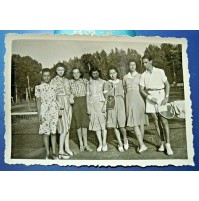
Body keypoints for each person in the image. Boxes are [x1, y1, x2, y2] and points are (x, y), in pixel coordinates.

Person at [139, 55, 173, 155]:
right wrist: (150, 97)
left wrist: (166, 97)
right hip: (150, 98)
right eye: (143, 63)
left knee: (164, 120)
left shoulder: (160, 71)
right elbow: (141, 90)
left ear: (151, 61)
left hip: (161, 96)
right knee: (156, 122)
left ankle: (168, 145)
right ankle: (162, 143)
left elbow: (167, 85)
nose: (144, 64)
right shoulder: (143, 75)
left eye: (146, 62)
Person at [123, 60, 148, 153]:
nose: (132, 66)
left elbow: (143, 89)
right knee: (134, 122)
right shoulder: (125, 77)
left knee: (140, 122)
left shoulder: (140, 76)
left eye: (134, 65)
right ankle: (141, 144)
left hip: (139, 100)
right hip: (129, 100)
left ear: (136, 66)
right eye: (130, 65)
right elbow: (124, 90)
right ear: (128, 66)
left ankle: (140, 144)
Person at [35, 68, 59, 160]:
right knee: (46, 133)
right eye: (44, 76)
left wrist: (59, 110)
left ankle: (54, 153)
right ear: (42, 76)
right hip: (44, 111)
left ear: (50, 76)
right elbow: (38, 102)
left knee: (53, 132)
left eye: (48, 75)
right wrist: (39, 115)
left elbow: (56, 100)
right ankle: (48, 154)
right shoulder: (38, 88)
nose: (46, 77)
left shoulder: (54, 86)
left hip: (53, 110)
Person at [51, 62, 74, 159]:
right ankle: (60, 151)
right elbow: (51, 96)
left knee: (67, 128)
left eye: (62, 70)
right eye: (58, 70)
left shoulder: (67, 80)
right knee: (63, 128)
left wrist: (71, 97)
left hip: (68, 104)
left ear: (64, 70)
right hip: (60, 105)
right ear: (56, 71)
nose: (60, 72)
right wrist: (58, 105)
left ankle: (67, 148)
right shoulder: (53, 81)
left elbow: (70, 92)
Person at [104, 68, 128, 152]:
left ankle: (125, 139)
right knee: (114, 125)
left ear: (117, 73)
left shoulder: (121, 82)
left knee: (122, 125)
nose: (112, 75)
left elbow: (125, 94)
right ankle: (120, 143)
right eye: (110, 73)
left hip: (120, 103)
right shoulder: (107, 83)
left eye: (114, 73)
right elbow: (105, 96)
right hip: (111, 103)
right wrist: (112, 88)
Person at [70, 68, 92, 152]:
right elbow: (68, 92)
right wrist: (71, 97)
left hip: (84, 102)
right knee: (78, 124)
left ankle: (86, 144)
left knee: (84, 124)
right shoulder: (70, 82)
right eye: (74, 73)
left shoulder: (85, 81)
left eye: (77, 73)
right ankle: (81, 144)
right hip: (75, 103)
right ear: (72, 74)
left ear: (80, 73)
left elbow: (91, 90)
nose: (76, 75)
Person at [87, 67, 107, 152]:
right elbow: (88, 96)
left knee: (103, 125)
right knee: (96, 125)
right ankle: (100, 143)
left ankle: (104, 143)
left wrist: (105, 106)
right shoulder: (89, 83)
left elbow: (107, 96)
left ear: (99, 73)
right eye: (93, 73)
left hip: (101, 104)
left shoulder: (104, 82)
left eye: (96, 73)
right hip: (92, 105)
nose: (95, 75)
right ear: (91, 74)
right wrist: (88, 107)